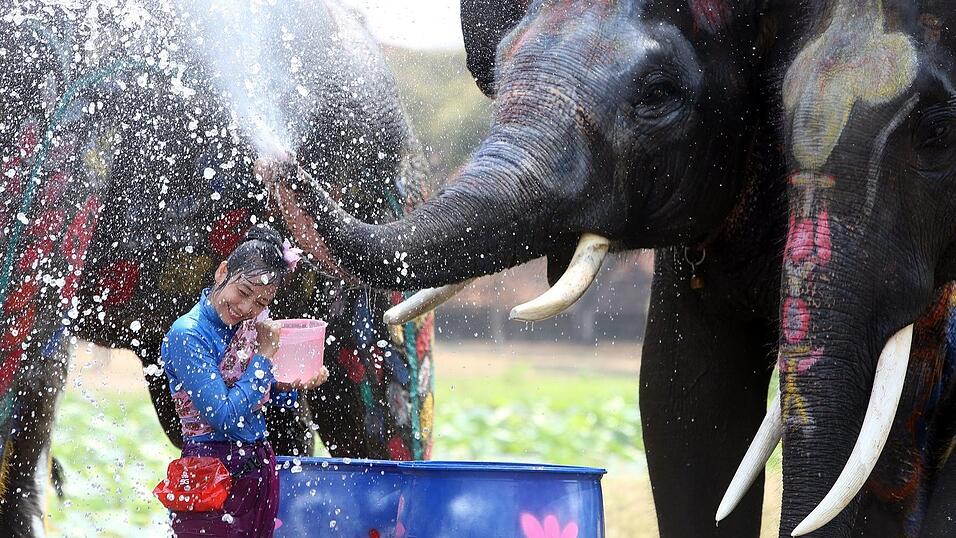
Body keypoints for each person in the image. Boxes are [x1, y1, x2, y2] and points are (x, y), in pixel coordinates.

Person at [161, 224, 328, 537]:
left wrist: (289, 385)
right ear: (223, 272)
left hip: (257, 469)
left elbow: (254, 400)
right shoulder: (188, 335)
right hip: (208, 475)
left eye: (261, 303)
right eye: (244, 292)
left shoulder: (252, 326)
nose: (246, 308)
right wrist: (264, 359)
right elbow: (223, 416)